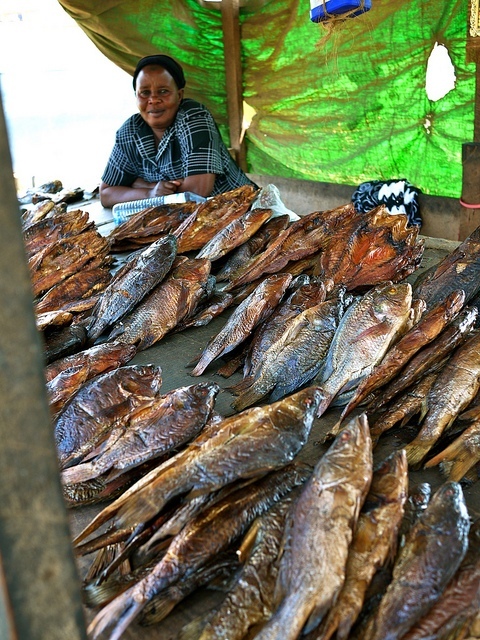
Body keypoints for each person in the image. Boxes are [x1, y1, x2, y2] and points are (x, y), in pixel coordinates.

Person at [100, 54, 257, 208]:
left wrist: (139, 184)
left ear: (179, 95)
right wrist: (150, 192)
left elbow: (196, 193)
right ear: (136, 96)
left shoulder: (193, 117)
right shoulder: (130, 132)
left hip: (243, 213)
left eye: (163, 91)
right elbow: (106, 194)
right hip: (189, 222)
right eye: (145, 92)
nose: (153, 99)